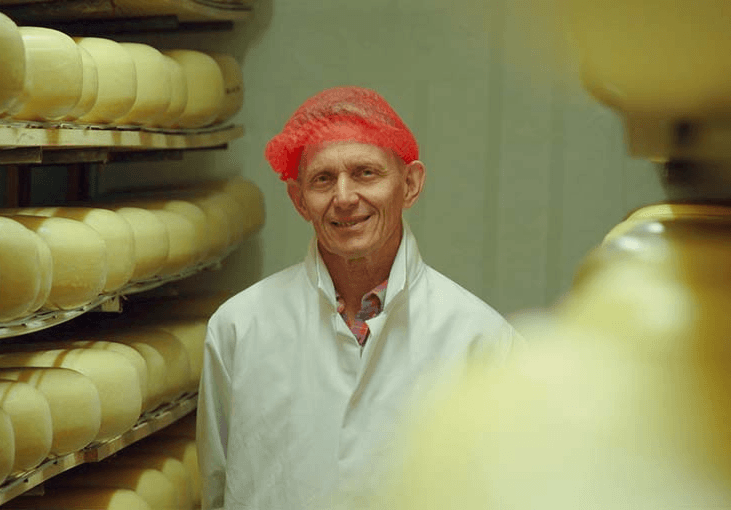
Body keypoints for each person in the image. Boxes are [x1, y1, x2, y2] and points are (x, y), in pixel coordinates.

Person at [197, 86, 523, 510]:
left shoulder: (481, 340)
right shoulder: (239, 328)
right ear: (299, 200)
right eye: (323, 179)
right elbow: (216, 487)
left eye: (366, 173)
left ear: (410, 184)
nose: (345, 198)